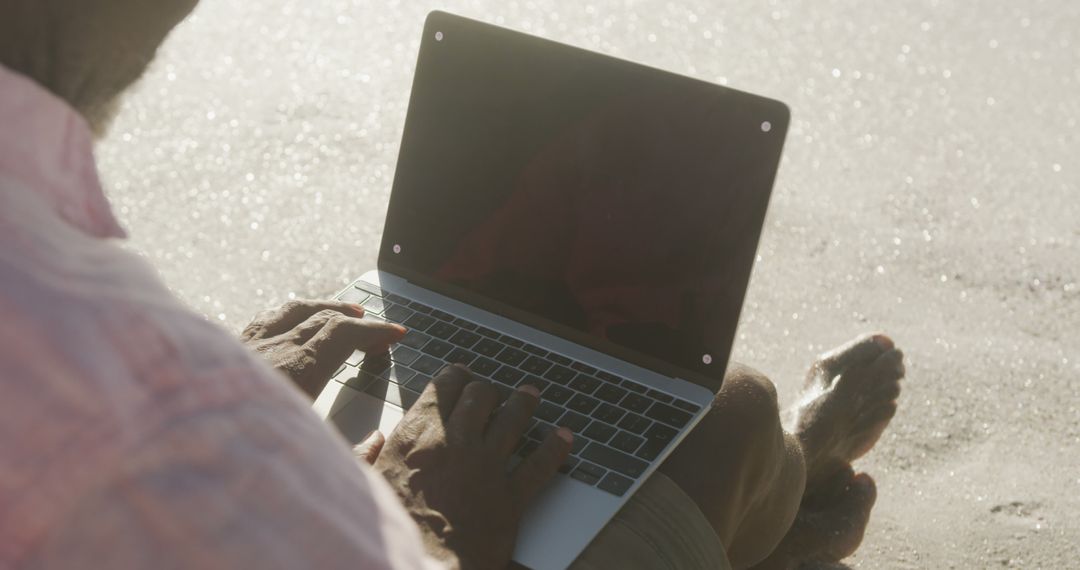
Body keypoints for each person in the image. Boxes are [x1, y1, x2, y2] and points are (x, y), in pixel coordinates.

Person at [0, 1, 905, 569]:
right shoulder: (162, 419)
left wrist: (209, 385)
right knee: (733, 411)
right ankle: (792, 483)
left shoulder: (93, 341)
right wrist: (425, 517)